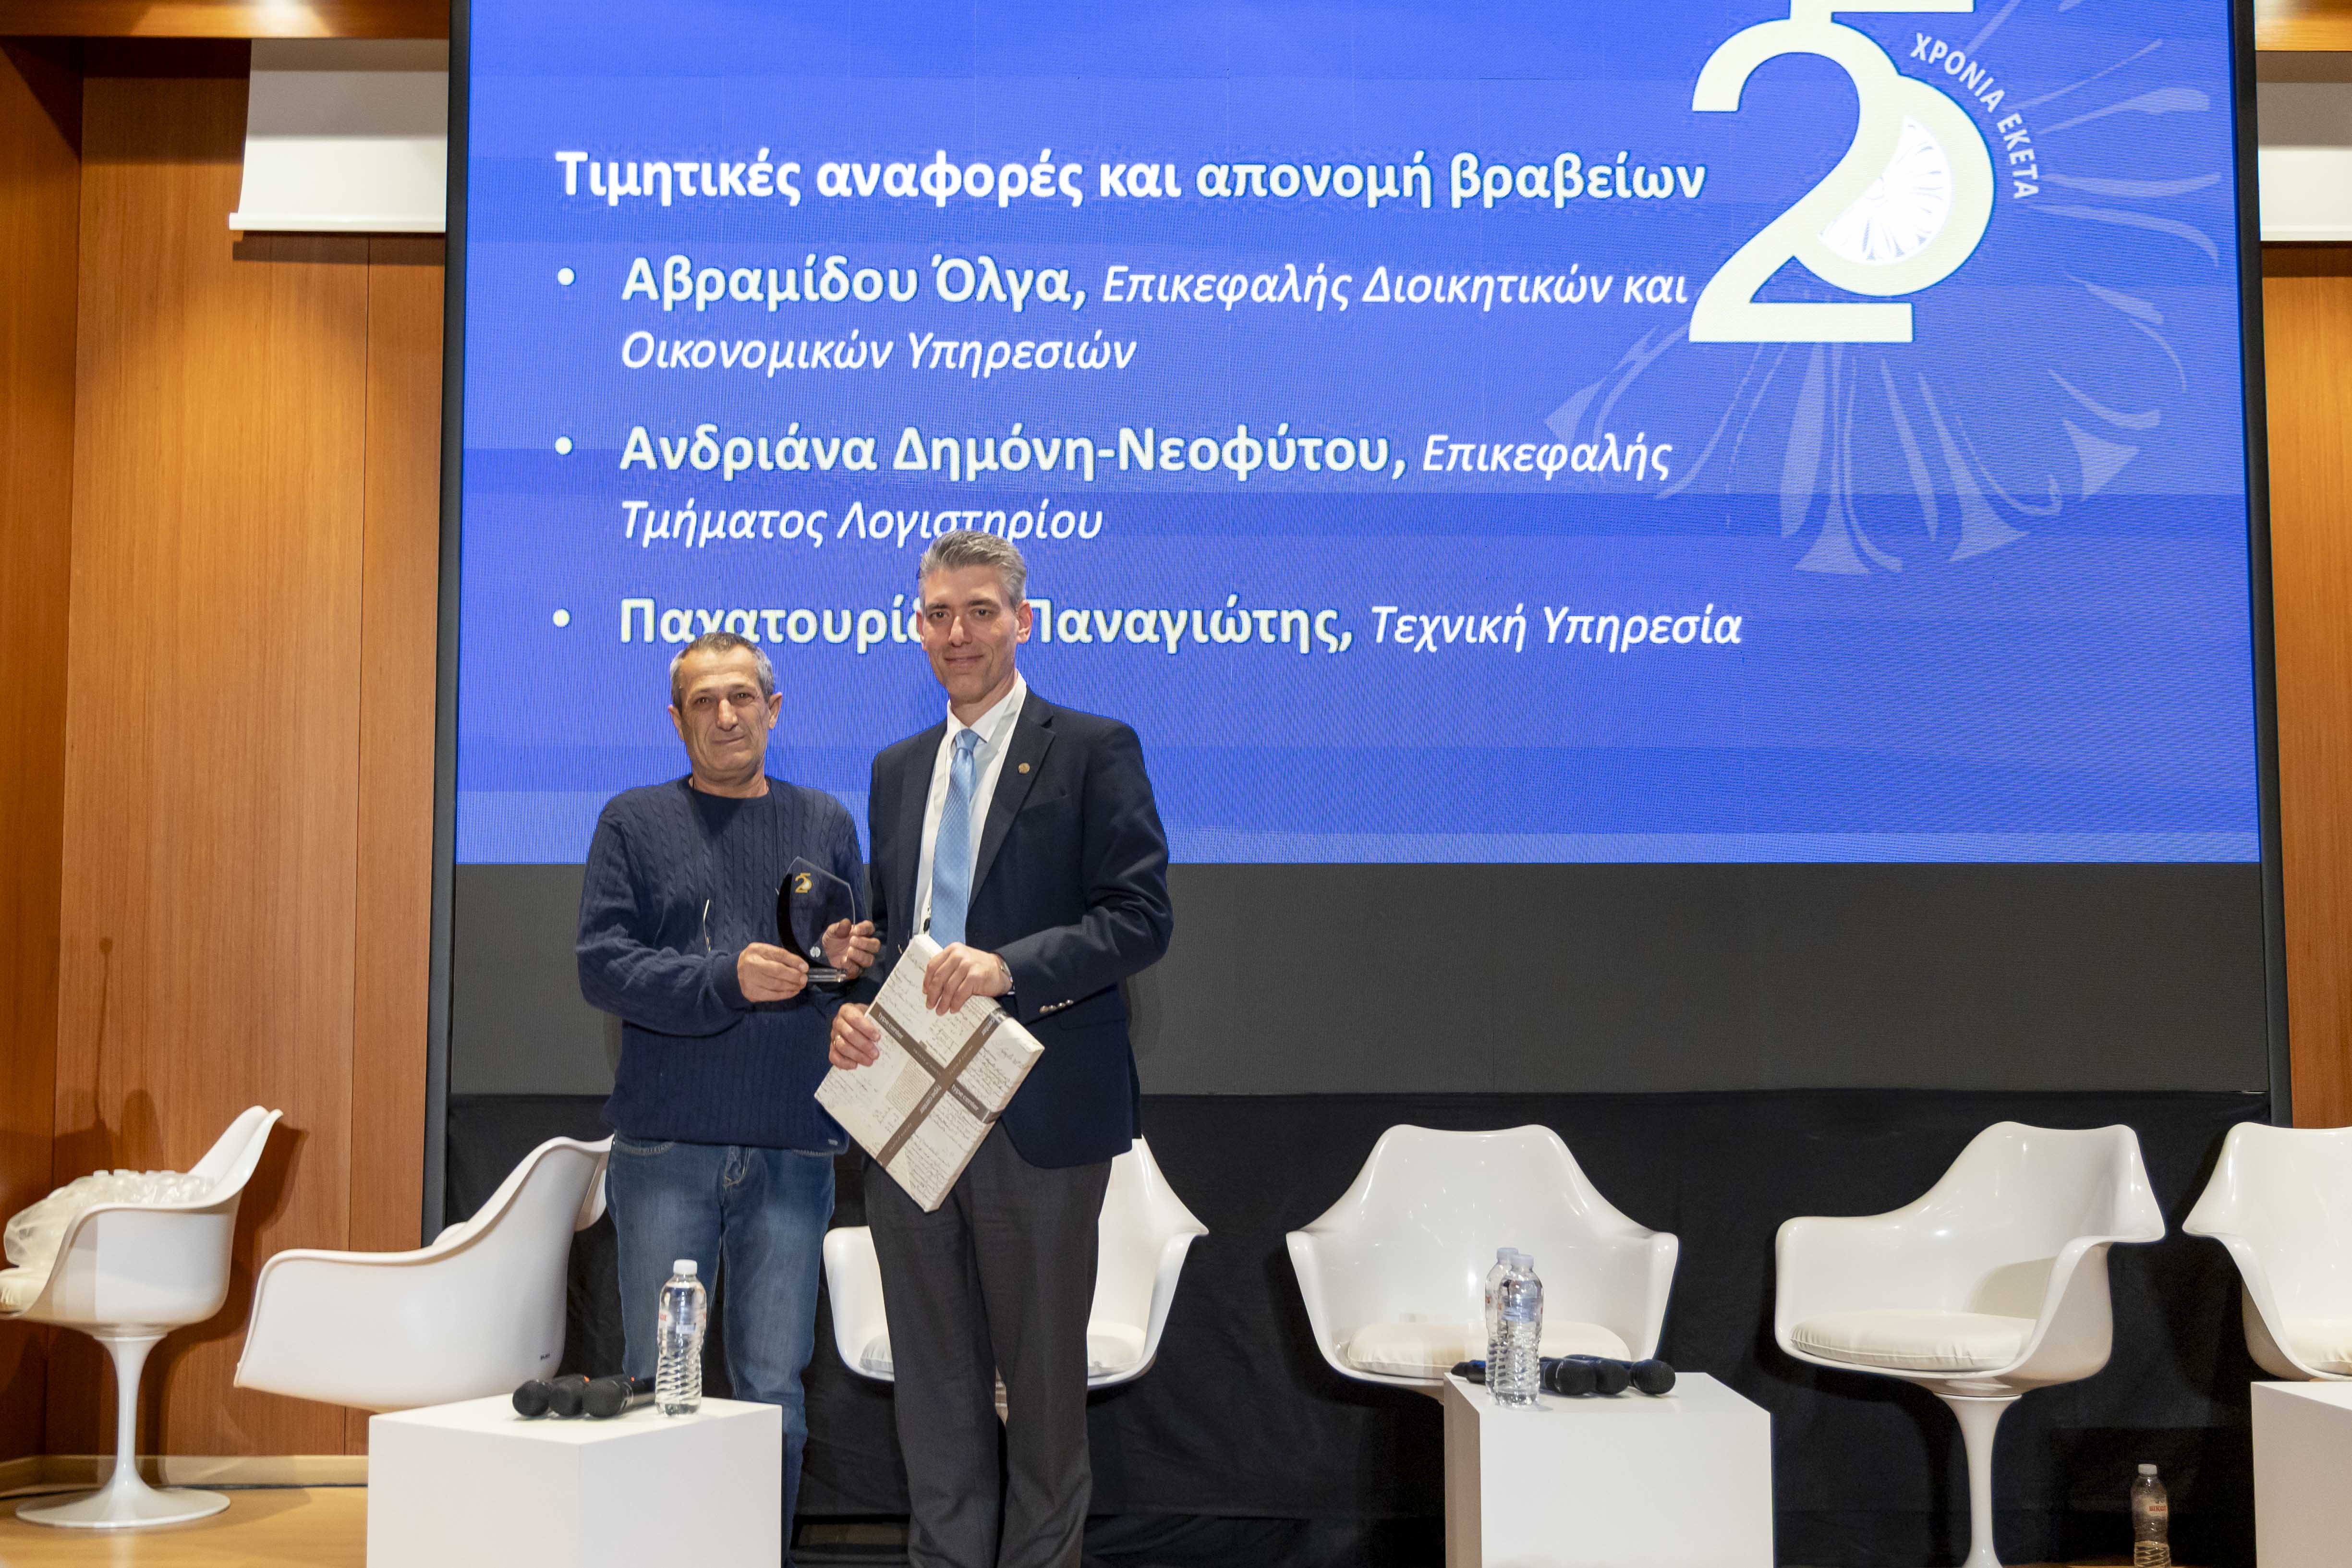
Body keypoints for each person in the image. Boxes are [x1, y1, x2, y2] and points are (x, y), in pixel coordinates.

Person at [829, 531, 1174, 1568]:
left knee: (1043, 1393)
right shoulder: (896, 769)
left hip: (1037, 1113)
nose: (959, 633)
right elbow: (899, 931)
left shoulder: (1092, 748)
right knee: (933, 1392)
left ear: (1023, 620)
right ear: (916, 626)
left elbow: (1140, 918)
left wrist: (1007, 967)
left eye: (981, 611)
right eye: (938, 613)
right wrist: (852, 990)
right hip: (905, 1113)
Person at [577, 630, 879, 1562]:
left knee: (773, 1389)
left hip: (794, 1144)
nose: (725, 715)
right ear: (676, 719)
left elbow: (853, 970)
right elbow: (602, 966)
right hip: (666, 1145)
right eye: (703, 701)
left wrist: (849, 974)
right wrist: (723, 978)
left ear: (772, 709)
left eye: (741, 696)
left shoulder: (825, 819)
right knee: (652, 1383)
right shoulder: (632, 821)